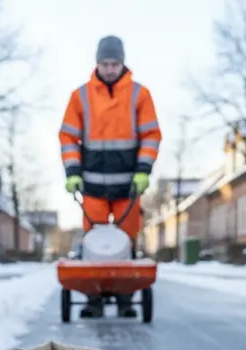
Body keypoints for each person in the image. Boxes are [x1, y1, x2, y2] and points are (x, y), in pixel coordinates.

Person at [59, 35, 161, 317]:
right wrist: (72, 173)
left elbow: (151, 136)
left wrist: (143, 171)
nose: (110, 68)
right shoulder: (80, 97)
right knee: (95, 243)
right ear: (97, 64)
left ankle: (126, 298)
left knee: (126, 241)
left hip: (128, 186)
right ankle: (94, 300)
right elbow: (68, 137)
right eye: (105, 63)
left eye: (115, 63)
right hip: (91, 185)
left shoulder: (140, 95)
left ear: (123, 63)